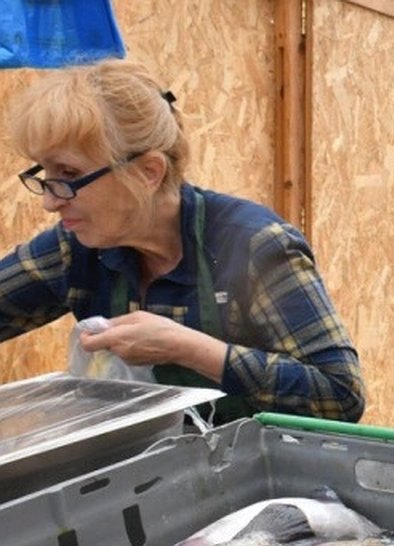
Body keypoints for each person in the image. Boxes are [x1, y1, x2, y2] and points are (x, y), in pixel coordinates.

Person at [0, 59, 365, 423]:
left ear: (148, 172)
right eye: (43, 173)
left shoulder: (254, 243)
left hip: (260, 474)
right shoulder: (75, 248)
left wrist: (188, 348)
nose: (50, 200)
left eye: (68, 174)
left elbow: (340, 394)